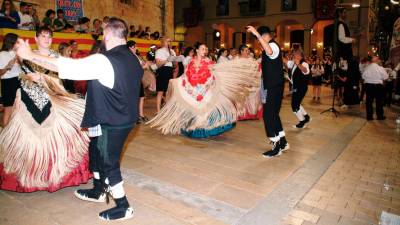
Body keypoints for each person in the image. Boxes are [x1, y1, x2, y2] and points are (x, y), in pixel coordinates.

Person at [15, 17, 143, 221]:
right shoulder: (133, 57)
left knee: (109, 162)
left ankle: (123, 205)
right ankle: (99, 190)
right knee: (97, 152)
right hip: (121, 118)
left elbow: (67, 67)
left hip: (112, 121)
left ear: (107, 34)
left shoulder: (104, 60)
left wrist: (29, 54)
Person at [0, 26, 91, 193]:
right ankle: (31, 173)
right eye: (43, 36)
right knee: (27, 138)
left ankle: (57, 173)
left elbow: (60, 79)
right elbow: (21, 76)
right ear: (35, 38)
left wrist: (43, 78)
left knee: (63, 133)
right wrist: (28, 77)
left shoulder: (56, 56)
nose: (46, 39)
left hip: (53, 98)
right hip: (29, 99)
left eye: (49, 36)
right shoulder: (26, 55)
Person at [148, 42, 259, 138]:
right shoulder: (191, 61)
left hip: (205, 89)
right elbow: (187, 73)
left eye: (205, 49)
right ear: (197, 50)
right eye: (202, 49)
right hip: (192, 89)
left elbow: (213, 72)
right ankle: (193, 128)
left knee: (206, 110)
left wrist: (207, 84)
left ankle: (205, 129)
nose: (205, 50)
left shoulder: (208, 61)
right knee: (193, 110)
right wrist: (182, 82)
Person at [245, 25, 289, 157]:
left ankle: (276, 147)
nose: (258, 43)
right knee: (274, 114)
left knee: (268, 115)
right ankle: (283, 142)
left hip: (273, 86)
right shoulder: (270, 46)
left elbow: (270, 52)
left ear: (265, 36)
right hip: (274, 85)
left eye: (259, 39)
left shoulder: (273, 46)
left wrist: (256, 33)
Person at [284, 49, 311, 129]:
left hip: (301, 87)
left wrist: (298, 64)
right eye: (293, 54)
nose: (293, 55)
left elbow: (306, 71)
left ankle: (302, 121)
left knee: (294, 105)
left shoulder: (304, 63)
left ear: (300, 55)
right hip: (296, 86)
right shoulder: (293, 63)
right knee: (297, 103)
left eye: (295, 54)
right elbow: (285, 61)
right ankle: (306, 117)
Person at [237, 44, 262, 121]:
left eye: (248, 50)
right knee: (242, 99)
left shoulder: (251, 59)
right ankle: (242, 115)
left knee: (252, 97)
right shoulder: (237, 59)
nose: (248, 52)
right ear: (241, 51)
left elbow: (257, 68)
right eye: (246, 50)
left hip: (251, 81)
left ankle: (252, 114)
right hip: (242, 81)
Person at [0, 33, 21, 126]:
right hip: (8, 83)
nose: (19, 43)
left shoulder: (16, 53)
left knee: (18, 109)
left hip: (18, 81)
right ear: (11, 42)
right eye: (17, 42)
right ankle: (5, 136)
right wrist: (7, 67)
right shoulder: (2, 54)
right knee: (8, 109)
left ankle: (13, 133)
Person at [128, 40, 149, 123]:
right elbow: (134, 69)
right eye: (134, 47)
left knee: (141, 97)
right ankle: (135, 116)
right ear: (130, 48)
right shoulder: (129, 57)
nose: (136, 48)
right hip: (133, 80)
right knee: (135, 98)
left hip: (137, 79)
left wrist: (145, 64)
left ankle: (141, 115)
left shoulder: (135, 56)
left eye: (136, 46)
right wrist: (144, 67)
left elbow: (141, 65)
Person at [362, 56, 388, 120]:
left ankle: (369, 117)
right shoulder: (380, 68)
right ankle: (379, 116)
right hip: (378, 86)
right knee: (379, 102)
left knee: (369, 102)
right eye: (379, 59)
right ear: (377, 60)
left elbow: (363, 76)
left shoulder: (367, 68)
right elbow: (385, 77)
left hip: (369, 86)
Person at [154, 37, 175, 112]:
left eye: (170, 41)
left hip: (170, 70)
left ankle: (167, 110)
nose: (169, 43)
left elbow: (174, 65)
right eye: (167, 41)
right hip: (162, 70)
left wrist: (175, 59)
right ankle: (158, 111)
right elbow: (158, 64)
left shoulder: (172, 51)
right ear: (163, 42)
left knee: (168, 91)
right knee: (160, 91)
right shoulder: (159, 51)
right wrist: (167, 60)